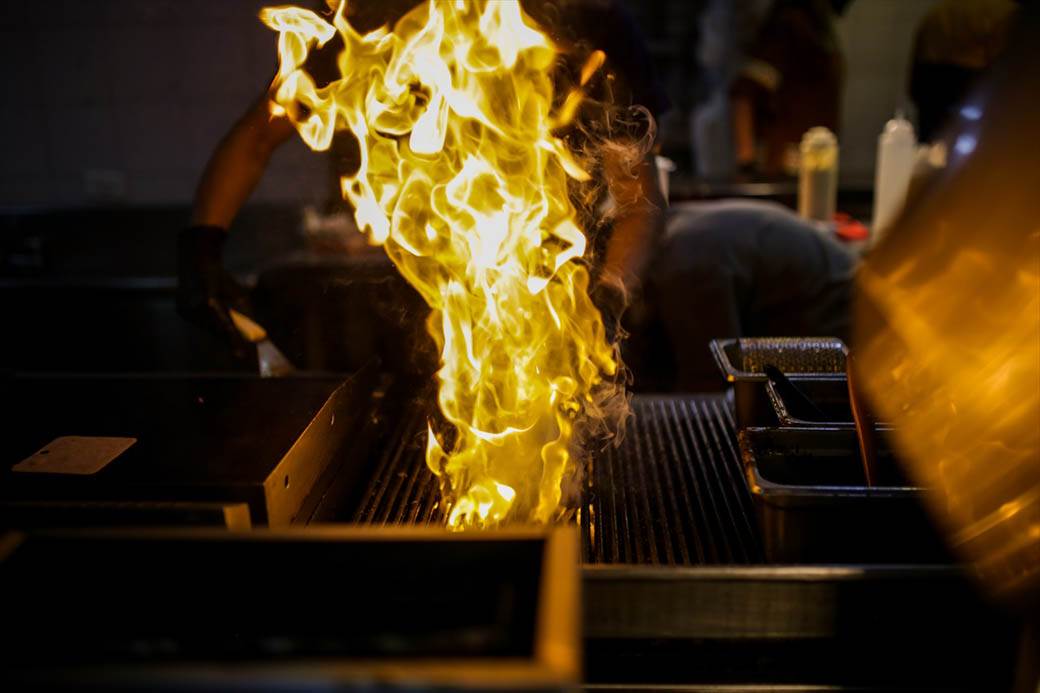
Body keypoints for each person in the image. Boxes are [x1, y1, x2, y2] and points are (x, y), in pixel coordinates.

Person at [178, 0, 669, 364]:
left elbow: (638, 197)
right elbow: (257, 138)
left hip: (562, 298)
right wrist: (202, 248)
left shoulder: (591, 21)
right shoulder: (369, 22)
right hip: (422, 306)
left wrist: (607, 296)